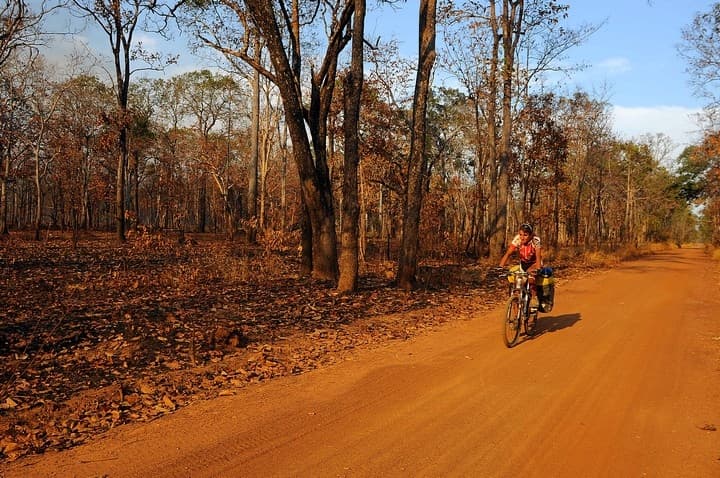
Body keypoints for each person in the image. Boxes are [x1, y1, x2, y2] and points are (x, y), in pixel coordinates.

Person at [499, 223, 543, 310]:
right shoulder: (517, 239)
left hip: (534, 263)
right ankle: (515, 316)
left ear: (530, 235)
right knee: (517, 285)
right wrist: (500, 267)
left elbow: (538, 256)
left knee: (531, 278)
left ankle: (534, 298)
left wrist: (538, 269)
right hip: (523, 264)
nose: (522, 237)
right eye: (520, 234)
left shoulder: (536, 240)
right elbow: (508, 253)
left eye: (525, 235)